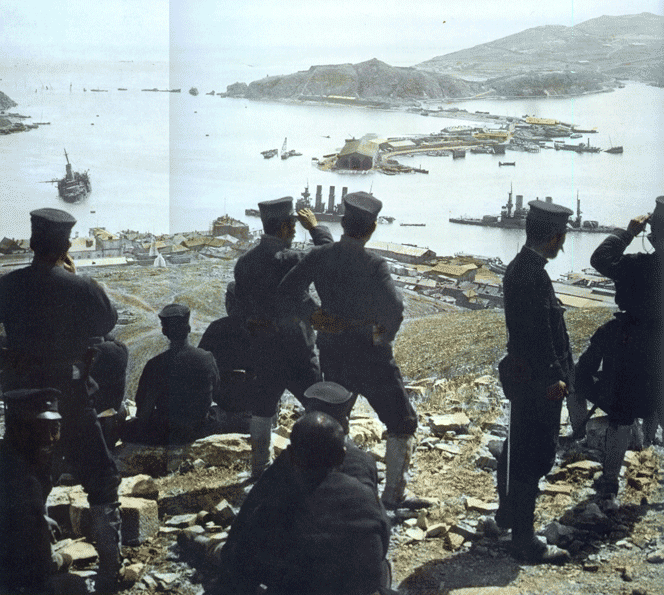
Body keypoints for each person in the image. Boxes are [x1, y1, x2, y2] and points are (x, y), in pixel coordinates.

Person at [0, 208, 123, 591]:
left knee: (26, 479)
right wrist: (73, 279)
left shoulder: (7, 285)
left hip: (22, 398)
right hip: (69, 396)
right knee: (101, 478)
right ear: (67, 245)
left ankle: (28, 562)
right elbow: (106, 324)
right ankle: (110, 569)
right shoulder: (80, 286)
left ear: (33, 243)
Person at [277, 191, 421, 510]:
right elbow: (395, 310)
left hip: (334, 351)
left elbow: (288, 289)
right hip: (371, 357)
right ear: (372, 229)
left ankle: (326, 490)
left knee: (332, 422)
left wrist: (314, 315)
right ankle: (393, 496)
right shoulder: (375, 264)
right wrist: (380, 337)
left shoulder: (322, 256)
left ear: (343, 222)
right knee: (402, 421)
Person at [212, 412, 393, 595]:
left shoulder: (275, 504)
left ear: (290, 454)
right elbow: (383, 543)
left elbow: (238, 566)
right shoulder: (366, 496)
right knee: (383, 566)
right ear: (341, 456)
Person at [495, 200, 574, 563]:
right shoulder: (533, 275)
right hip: (537, 381)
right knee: (534, 456)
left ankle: (507, 516)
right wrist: (556, 378)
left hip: (524, 376)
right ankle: (524, 542)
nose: (562, 244)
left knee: (517, 447)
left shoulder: (522, 267)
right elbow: (539, 336)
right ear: (552, 237)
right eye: (561, 237)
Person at [233, 199, 333, 478]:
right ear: (287, 227)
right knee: (318, 404)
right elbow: (328, 255)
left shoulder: (244, 263)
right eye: (292, 226)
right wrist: (315, 228)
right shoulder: (293, 259)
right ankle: (324, 466)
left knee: (263, 409)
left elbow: (239, 307)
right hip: (298, 348)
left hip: (263, 349)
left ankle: (258, 469)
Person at [588, 197, 664, 508]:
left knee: (621, 413)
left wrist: (628, 232)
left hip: (630, 344)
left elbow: (600, 258)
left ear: (653, 235)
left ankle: (609, 484)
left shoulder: (635, 266)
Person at [0, 388, 72, 594]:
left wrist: (37, 518)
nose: (50, 439)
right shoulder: (17, 474)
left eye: (55, 428)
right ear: (19, 430)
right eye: (40, 431)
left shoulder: (22, 459)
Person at [122, 304, 223, 445]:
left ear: (164, 331)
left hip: (167, 432)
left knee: (125, 428)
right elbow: (217, 391)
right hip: (200, 429)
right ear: (188, 328)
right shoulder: (207, 358)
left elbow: (143, 412)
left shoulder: (155, 365)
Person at [197, 282, 253, 433]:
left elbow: (199, 368)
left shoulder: (216, 328)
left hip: (224, 407)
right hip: (257, 411)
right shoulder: (263, 329)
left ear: (230, 302)